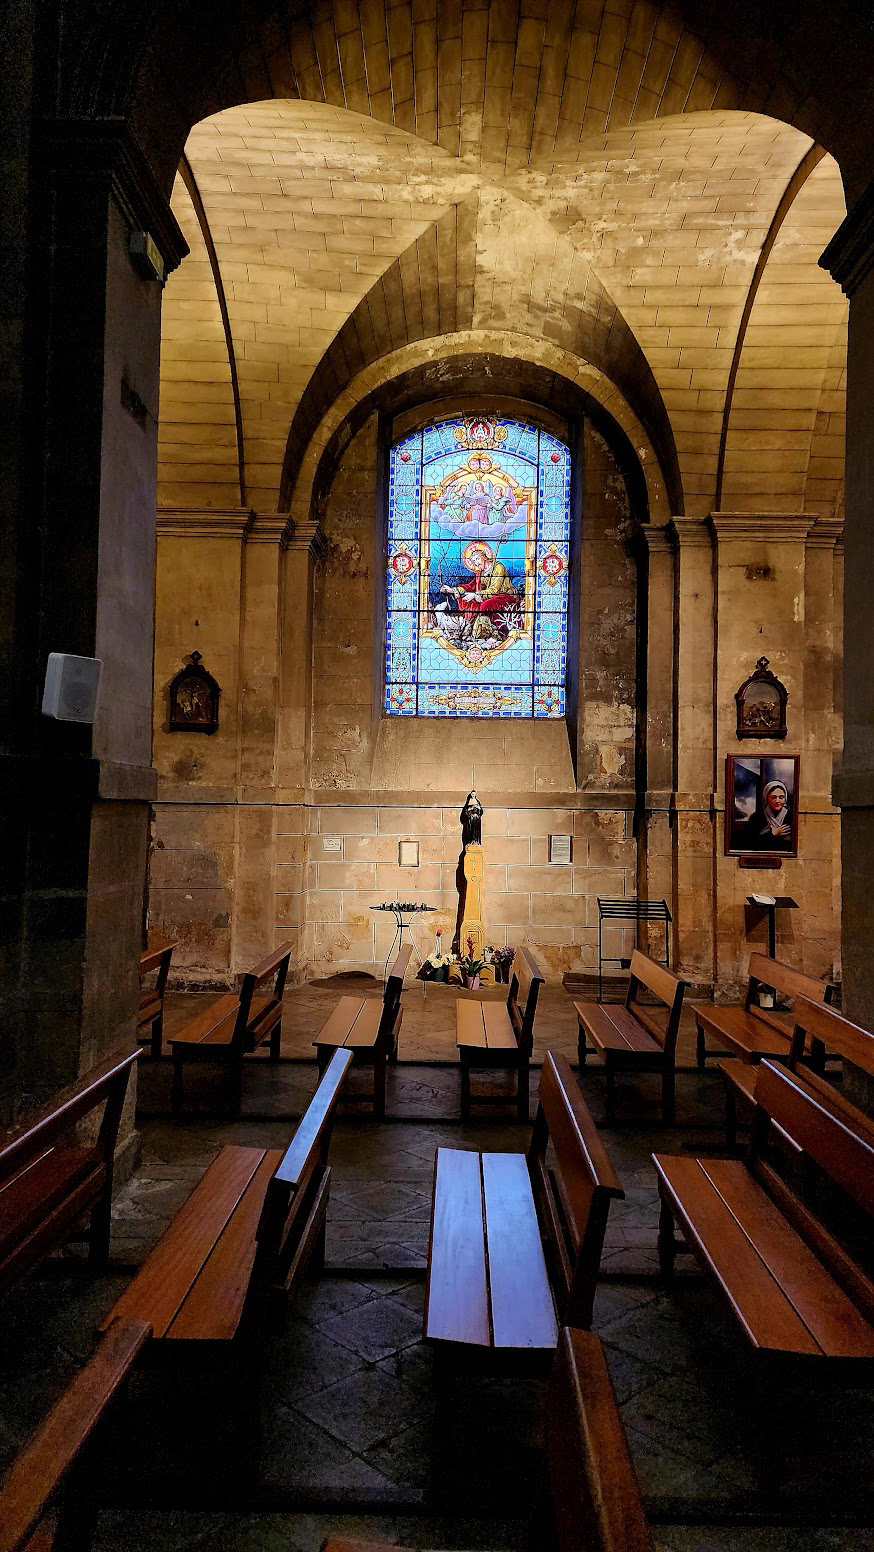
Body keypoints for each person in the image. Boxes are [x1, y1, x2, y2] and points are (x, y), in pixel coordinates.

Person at [734, 778, 793, 851]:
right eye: (773, 797)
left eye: (781, 797)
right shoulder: (757, 817)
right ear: (767, 798)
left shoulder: (791, 816)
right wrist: (772, 834)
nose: (777, 801)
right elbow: (749, 843)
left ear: (785, 799)